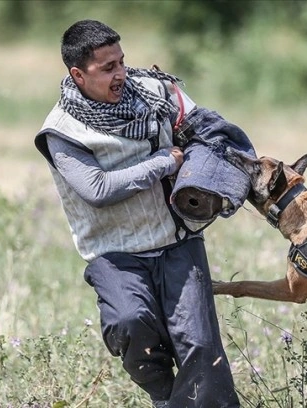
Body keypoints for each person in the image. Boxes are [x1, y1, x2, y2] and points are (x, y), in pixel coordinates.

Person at [33, 20, 241, 408]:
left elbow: (206, 129)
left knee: (200, 346)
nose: (120, 74)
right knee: (129, 324)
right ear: (78, 75)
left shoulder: (156, 92)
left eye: (122, 62)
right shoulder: (61, 131)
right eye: (107, 68)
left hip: (176, 241)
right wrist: (164, 162)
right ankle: (167, 398)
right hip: (114, 253)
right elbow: (97, 189)